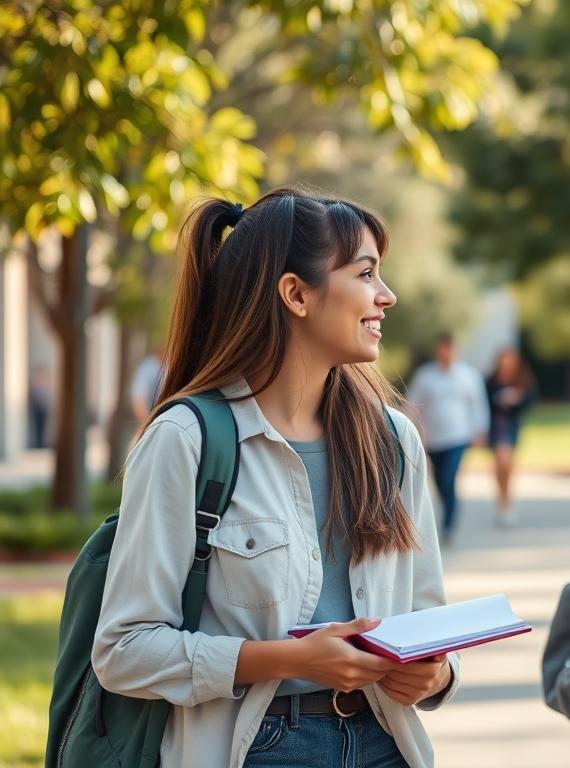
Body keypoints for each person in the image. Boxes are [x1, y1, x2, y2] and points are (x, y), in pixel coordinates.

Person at [92, 189, 458, 768]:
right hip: (256, 750)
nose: (386, 296)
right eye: (366, 274)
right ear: (295, 294)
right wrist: (289, 660)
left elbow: (426, 617)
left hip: (387, 744)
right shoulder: (187, 439)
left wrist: (434, 674)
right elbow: (124, 650)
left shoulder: (394, 441)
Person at [406, 334, 489, 540]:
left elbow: (478, 404)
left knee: (448, 477)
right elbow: (413, 404)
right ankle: (447, 507)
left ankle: (449, 524)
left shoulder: (468, 375)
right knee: (439, 481)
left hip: (458, 436)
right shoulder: (425, 376)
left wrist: (480, 429)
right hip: (433, 438)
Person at [485, 347, 536, 527]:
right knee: (500, 465)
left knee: (508, 465)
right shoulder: (490, 381)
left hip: (511, 426)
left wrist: (516, 401)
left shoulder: (521, 380)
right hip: (495, 427)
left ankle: (506, 501)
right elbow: (484, 401)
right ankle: (502, 500)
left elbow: (530, 401)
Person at [130, 344, 166, 423]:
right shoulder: (148, 367)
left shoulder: (168, 366)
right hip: (152, 422)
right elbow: (139, 400)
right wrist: (147, 424)